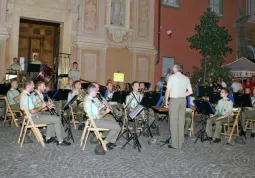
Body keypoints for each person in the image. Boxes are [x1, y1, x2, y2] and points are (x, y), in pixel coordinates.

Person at [20, 79, 71, 146]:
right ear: (28, 85)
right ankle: (60, 140)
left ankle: (49, 137)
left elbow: (32, 108)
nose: (33, 86)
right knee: (56, 119)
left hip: (30, 116)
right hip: (33, 117)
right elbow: (32, 111)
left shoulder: (23, 95)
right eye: (32, 85)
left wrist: (41, 104)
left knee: (53, 116)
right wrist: (42, 107)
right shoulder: (27, 97)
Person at [83, 84, 121, 150]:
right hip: (95, 122)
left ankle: (109, 141)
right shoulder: (90, 102)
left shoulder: (88, 98)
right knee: (117, 127)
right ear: (92, 91)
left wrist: (100, 107)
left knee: (114, 123)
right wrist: (106, 112)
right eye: (95, 91)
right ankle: (104, 143)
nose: (97, 92)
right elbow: (98, 116)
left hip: (92, 120)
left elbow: (94, 111)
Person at [165, 63, 193, 149]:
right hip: (183, 100)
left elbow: (168, 90)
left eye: (173, 67)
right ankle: (180, 144)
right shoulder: (186, 78)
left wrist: (166, 101)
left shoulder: (172, 77)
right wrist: (182, 94)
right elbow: (191, 92)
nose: (172, 68)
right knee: (181, 121)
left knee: (173, 122)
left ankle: (175, 144)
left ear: (177, 68)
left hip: (175, 100)